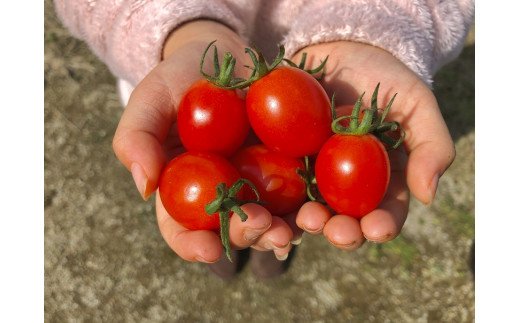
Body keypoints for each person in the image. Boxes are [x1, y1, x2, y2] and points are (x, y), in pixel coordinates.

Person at [53, 0, 475, 279]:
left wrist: (377, 24)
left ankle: (264, 247)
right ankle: (239, 246)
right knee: (233, 227)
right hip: (185, 93)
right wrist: (182, 29)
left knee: (271, 218)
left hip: (309, 91)